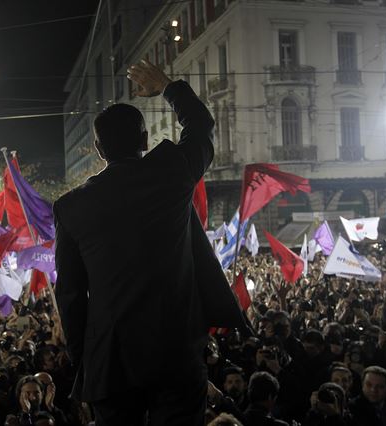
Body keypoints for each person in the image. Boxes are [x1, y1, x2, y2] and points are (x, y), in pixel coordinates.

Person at [54, 59, 247, 425]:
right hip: (175, 352)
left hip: (111, 361)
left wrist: (85, 364)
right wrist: (168, 86)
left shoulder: (70, 207)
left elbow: (71, 296)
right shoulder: (172, 172)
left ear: (98, 149)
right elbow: (201, 125)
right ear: (144, 140)